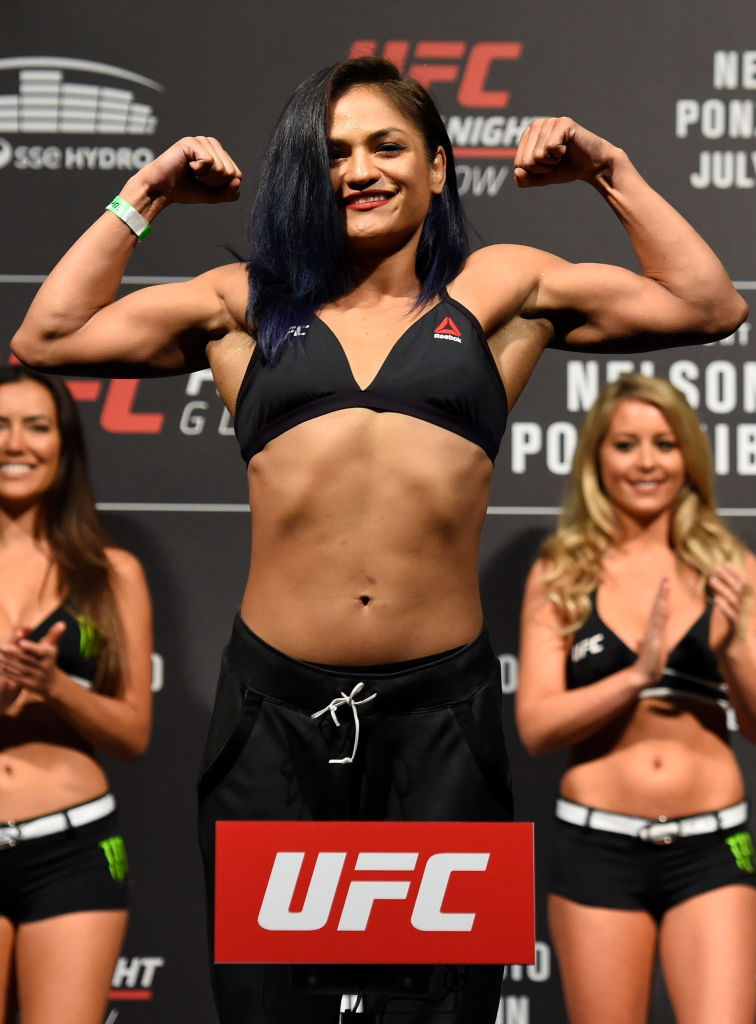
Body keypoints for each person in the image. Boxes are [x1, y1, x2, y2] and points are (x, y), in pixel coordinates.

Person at [10, 56, 747, 1024]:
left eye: (385, 146)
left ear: (439, 166)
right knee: (269, 1004)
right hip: (274, 715)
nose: (357, 169)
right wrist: (147, 191)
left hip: (440, 719)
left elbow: (709, 304)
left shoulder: (501, 290)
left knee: (442, 1006)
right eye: (333, 153)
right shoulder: (247, 304)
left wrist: (609, 168)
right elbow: (48, 338)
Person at [516, 374, 756, 1024]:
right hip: (597, 848)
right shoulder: (561, 573)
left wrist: (733, 648)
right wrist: (635, 674)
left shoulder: (731, 567)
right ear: (598, 457)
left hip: (715, 846)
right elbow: (536, 726)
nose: (647, 461)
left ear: (690, 459)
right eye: (626, 445)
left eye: (665, 444)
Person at [0, 366, 153, 1024]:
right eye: (0, 426)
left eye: (37, 426)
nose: (16, 443)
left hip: (73, 850)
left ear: (63, 445)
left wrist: (53, 684)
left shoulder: (111, 572)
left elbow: (132, 734)